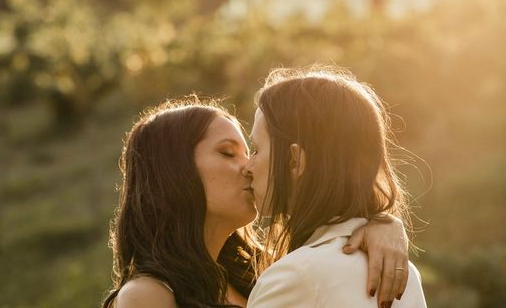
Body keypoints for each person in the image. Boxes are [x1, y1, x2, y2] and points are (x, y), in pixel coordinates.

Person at [103, 96, 410, 308]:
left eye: (250, 152)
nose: (249, 167)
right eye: (227, 153)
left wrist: (382, 223)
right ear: (173, 171)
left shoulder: (265, 272)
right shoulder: (147, 295)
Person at [243, 67, 427, 308]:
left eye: (256, 150)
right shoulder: (404, 273)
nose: (247, 166)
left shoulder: (295, 277)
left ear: (295, 160)